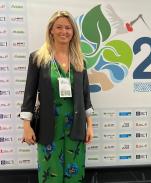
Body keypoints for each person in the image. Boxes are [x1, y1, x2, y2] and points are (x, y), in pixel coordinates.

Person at [20, 11, 94, 182]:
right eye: (59, 27)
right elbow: (29, 96)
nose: (64, 31)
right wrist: (26, 126)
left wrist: (89, 125)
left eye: (68, 27)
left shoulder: (79, 61)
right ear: (51, 30)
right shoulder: (38, 58)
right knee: (50, 172)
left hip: (75, 125)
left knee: (74, 173)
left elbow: (85, 96)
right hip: (48, 125)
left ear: (73, 32)